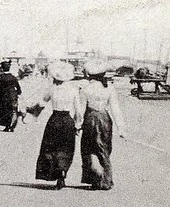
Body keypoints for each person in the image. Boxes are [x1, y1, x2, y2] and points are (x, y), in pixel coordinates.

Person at [35, 61, 81, 189]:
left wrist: (31, 113)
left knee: (51, 148)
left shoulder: (52, 89)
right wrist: (78, 125)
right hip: (67, 121)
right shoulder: (73, 90)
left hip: (54, 120)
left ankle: (54, 173)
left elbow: (41, 104)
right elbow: (78, 110)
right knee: (66, 149)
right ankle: (62, 173)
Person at [78, 59, 122, 190]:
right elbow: (115, 109)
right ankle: (106, 180)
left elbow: (81, 109)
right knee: (103, 148)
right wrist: (121, 128)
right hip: (104, 119)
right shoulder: (109, 88)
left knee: (88, 148)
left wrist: (78, 124)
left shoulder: (85, 88)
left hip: (90, 118)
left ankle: (93, 178)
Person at [0, 61, 22, 132]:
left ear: (2, 68)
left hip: (4, 96)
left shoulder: (0, 77)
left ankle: (7, 126)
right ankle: (12, 126)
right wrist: (16, 93)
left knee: (6, 111)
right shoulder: (13, 77)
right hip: (13, 96)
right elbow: (19, 88)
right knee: (13, 111)